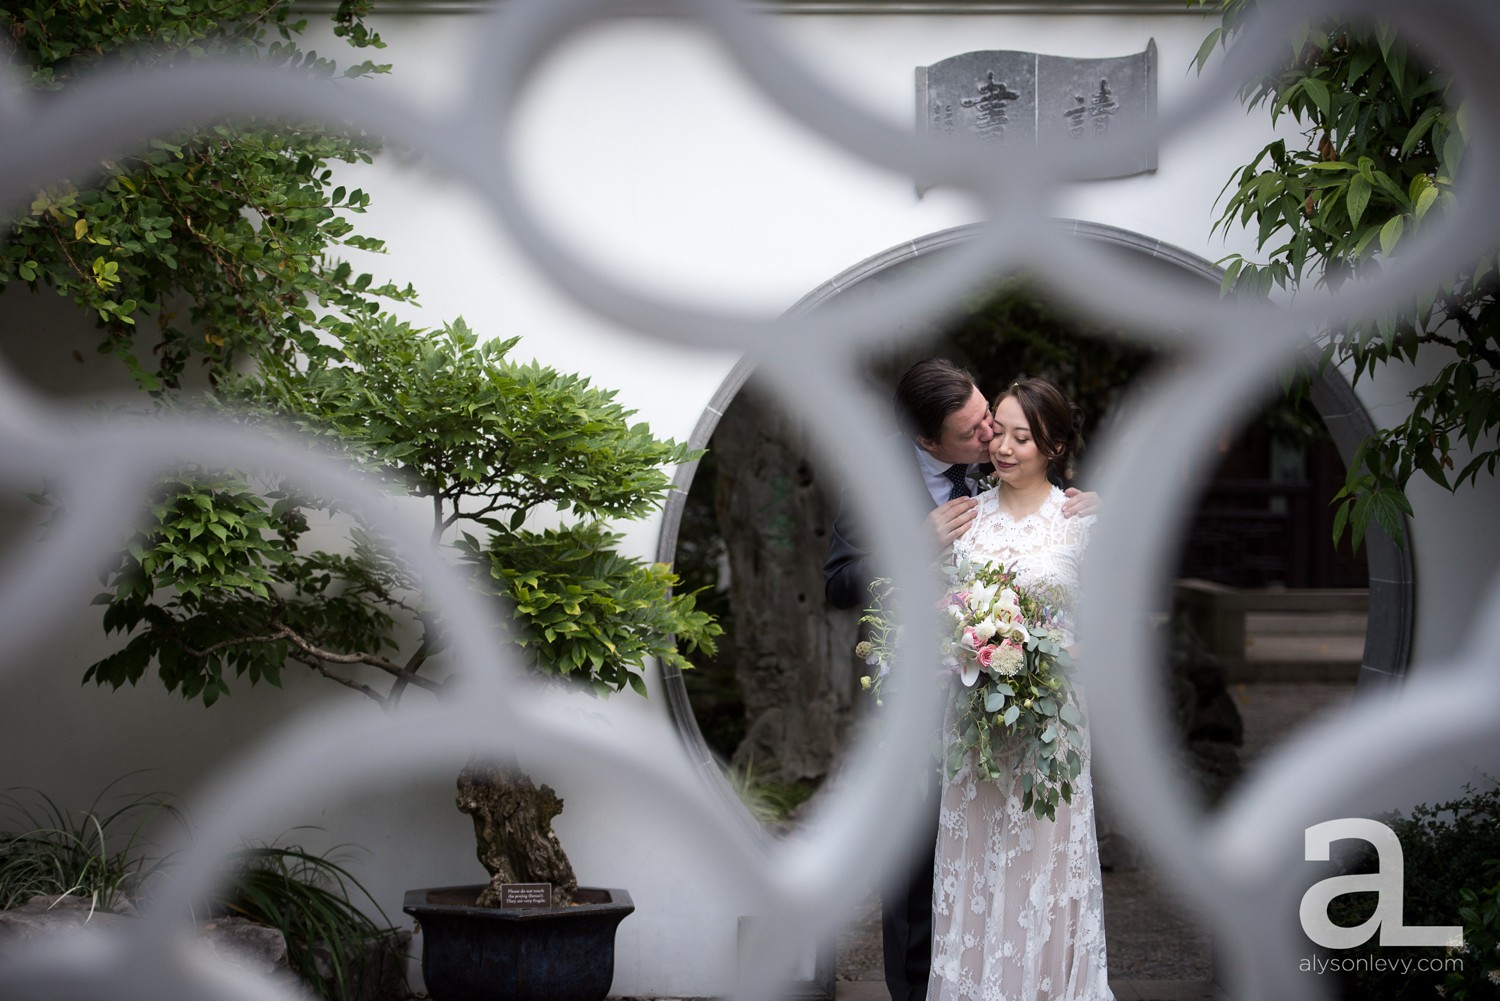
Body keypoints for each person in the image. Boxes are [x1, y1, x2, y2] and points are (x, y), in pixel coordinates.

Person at [822, 358, 1095, 1001]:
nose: (990, 440)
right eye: (975, 431)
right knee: (917, 864)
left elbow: (1043, 487)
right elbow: (837, 585)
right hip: (915, 704)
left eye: (991, 421)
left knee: (1009, 865)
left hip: (1016, 708)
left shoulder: (996, 462)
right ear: (927, 441)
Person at [928, 378, 1112, 1001]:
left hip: (1052, 723)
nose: (1001, 447)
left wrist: (1051, 655)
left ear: (1054, 444)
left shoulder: (1081, 522)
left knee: (1044, 866)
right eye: (995, 431)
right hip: (973, 725)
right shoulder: (964, 520)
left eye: (1021, 436)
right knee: (975, 862)